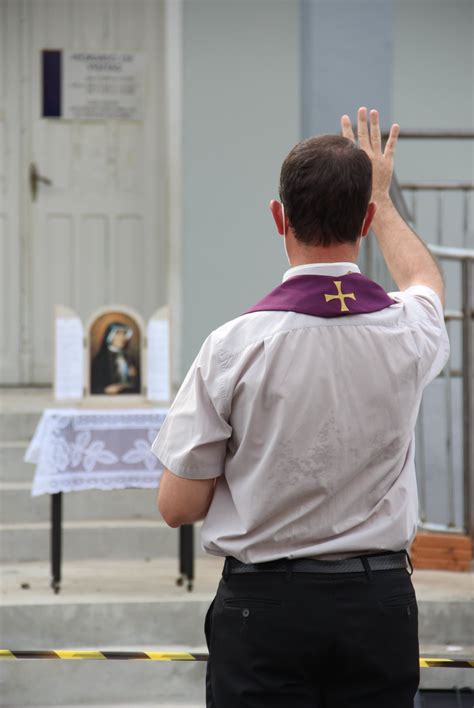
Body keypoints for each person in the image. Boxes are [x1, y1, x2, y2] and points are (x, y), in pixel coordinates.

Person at [151, 108, 449, 708]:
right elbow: (423, 279)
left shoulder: (234, 345)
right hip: (380, 603)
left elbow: (178, 507)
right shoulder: (409, 331)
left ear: (277, 218)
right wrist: (384, 195)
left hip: (269, 610)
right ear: (364, 219)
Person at [90, 321, 140, 395]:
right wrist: (105, 390)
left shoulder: (130, 358)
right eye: (118, 334)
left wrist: (135, 376)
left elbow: (139, 384)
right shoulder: (100, 359)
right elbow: (93, 386)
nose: (122, 337)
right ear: (110, 337)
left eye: (124, 334)